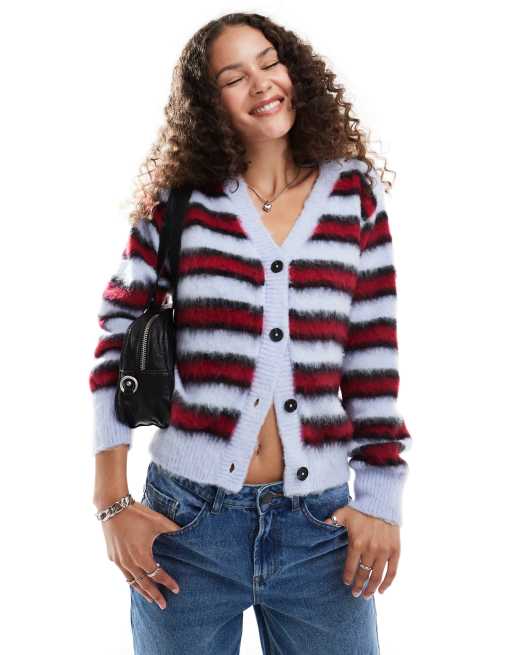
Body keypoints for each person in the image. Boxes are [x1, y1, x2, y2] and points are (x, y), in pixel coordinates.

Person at [90, 12, 412, 654]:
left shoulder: (353, 194)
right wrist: (112, 501)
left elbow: (372, 355)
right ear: (211, 104)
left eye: (269, 62)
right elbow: (116, 338)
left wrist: (382, 498)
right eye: (233, 77)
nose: (261, 83)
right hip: (184, 525)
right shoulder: (180, 201)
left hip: (321, 529)